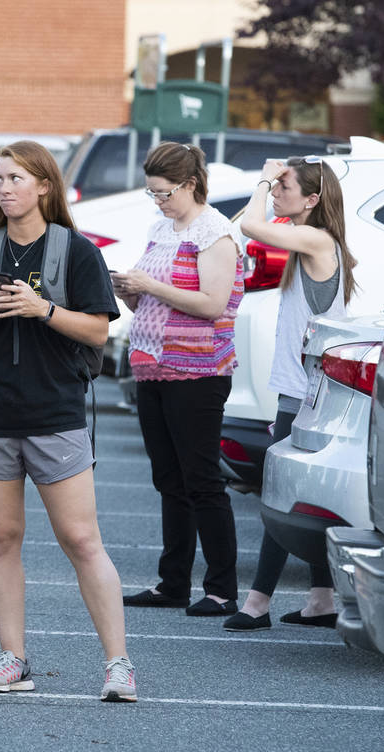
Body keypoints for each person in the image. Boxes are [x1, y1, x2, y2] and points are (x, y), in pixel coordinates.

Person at [0, 140, 137, 702]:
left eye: (16, 178)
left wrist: (42, 309)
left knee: (81, 539)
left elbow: (100, 331)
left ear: (44, 186)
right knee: (1, 539)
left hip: (54, 412)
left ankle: (118, 664)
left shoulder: (76, 251)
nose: (4, 188)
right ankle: (12, 658)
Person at [222, 155, 357, 632]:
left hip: (307, 395)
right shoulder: (313, 241)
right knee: (307, 496)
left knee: (282, 495)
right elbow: (244, 226)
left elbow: (253, 225)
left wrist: (261, 175)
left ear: (312, 200)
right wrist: (270, 182)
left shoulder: (316, 239)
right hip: (303, 391)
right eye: (275, 186)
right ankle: (321, 598)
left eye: (285, 187)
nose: (277, 193)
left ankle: (257, 601)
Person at [116, 142, 244, 618]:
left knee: (202, 478)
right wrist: (131, 292)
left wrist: (150, 287)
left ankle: (221, 588)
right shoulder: (161, 229)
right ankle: (173, 581)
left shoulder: (214, 233)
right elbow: (155, 300)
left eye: (164, 193)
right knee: (168, 477)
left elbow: (212, 303)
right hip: (153, 364)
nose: (159, 202)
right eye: (152, 194)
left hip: (197, 370)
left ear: (190, 184)